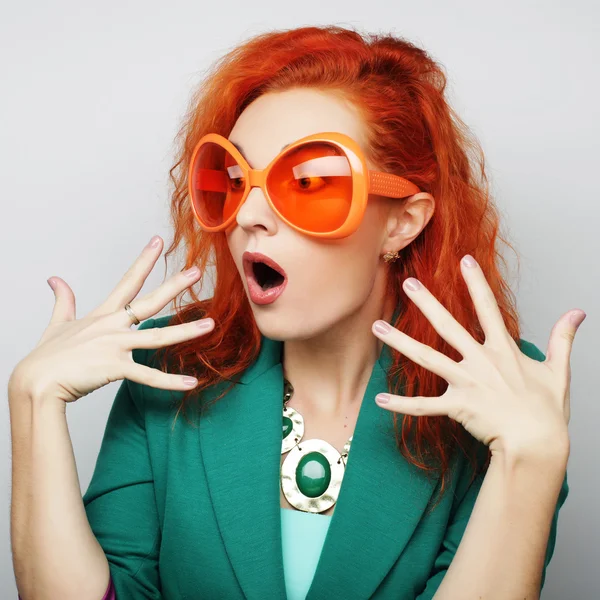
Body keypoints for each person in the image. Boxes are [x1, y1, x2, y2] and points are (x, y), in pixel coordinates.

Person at [10, 25, 579, 600]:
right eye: (234, 181)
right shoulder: (168, 371)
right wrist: (33, 400)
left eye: (308, 182)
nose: (249, 213)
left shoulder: (498, 393)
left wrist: (530, 461)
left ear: (403, 221)